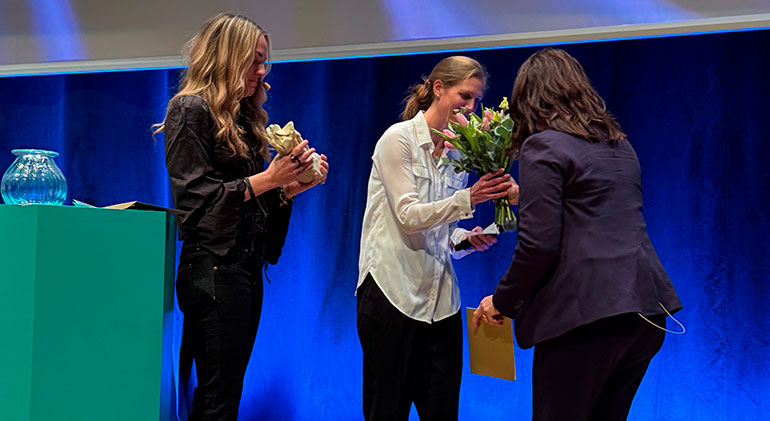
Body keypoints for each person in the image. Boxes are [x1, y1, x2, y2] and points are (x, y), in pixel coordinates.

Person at [473, 48, 682, 421]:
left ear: (528, 99)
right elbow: (596, 211)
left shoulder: (542, 145)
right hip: (644, 314)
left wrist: (503, 302)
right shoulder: (619, 143)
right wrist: (529, 196)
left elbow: (539, 246)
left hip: (586, 318)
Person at [155, 13, 328, 420]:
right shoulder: (189, 109)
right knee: (218, 397)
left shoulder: (244, 119)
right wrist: (267, 179)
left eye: (265, 61)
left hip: (242, 269)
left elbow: (255, 206)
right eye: (253, 60)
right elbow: (195, 200)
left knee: (226, 393)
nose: (262, 71)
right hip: (212, 267)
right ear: (227, 58)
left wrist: (289, 187)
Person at [357, 55, 517, 420]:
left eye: (477, 100)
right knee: (386, 410)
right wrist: (469, 198)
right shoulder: (397, 141)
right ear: (438, 88)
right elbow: (409, 216)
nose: (471, 107)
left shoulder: (459, 151)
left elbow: (439, 232)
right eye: (464, 96)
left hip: (441, 304)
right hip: (392, 295)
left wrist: (464, 239)